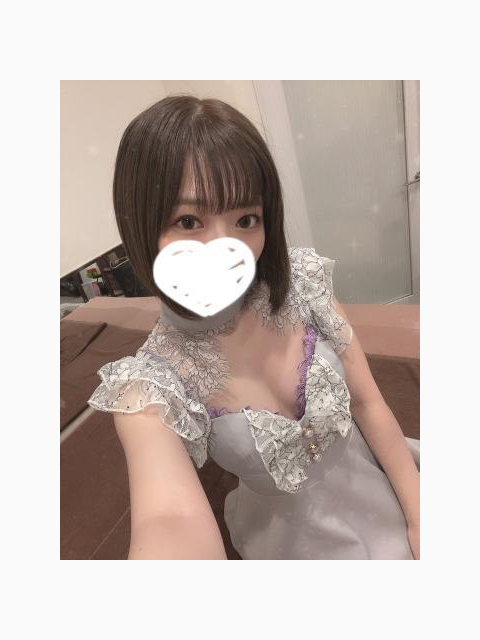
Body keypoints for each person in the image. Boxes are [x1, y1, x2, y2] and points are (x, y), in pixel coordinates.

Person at [87, 95, 420, 560]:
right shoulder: (150, 386)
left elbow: (368, 401)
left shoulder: (304, 283)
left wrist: (420, 513)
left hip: (379, 478)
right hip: (291, 540)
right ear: (141, 224)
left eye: (246, 219)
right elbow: (168, 520)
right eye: (189, 221)